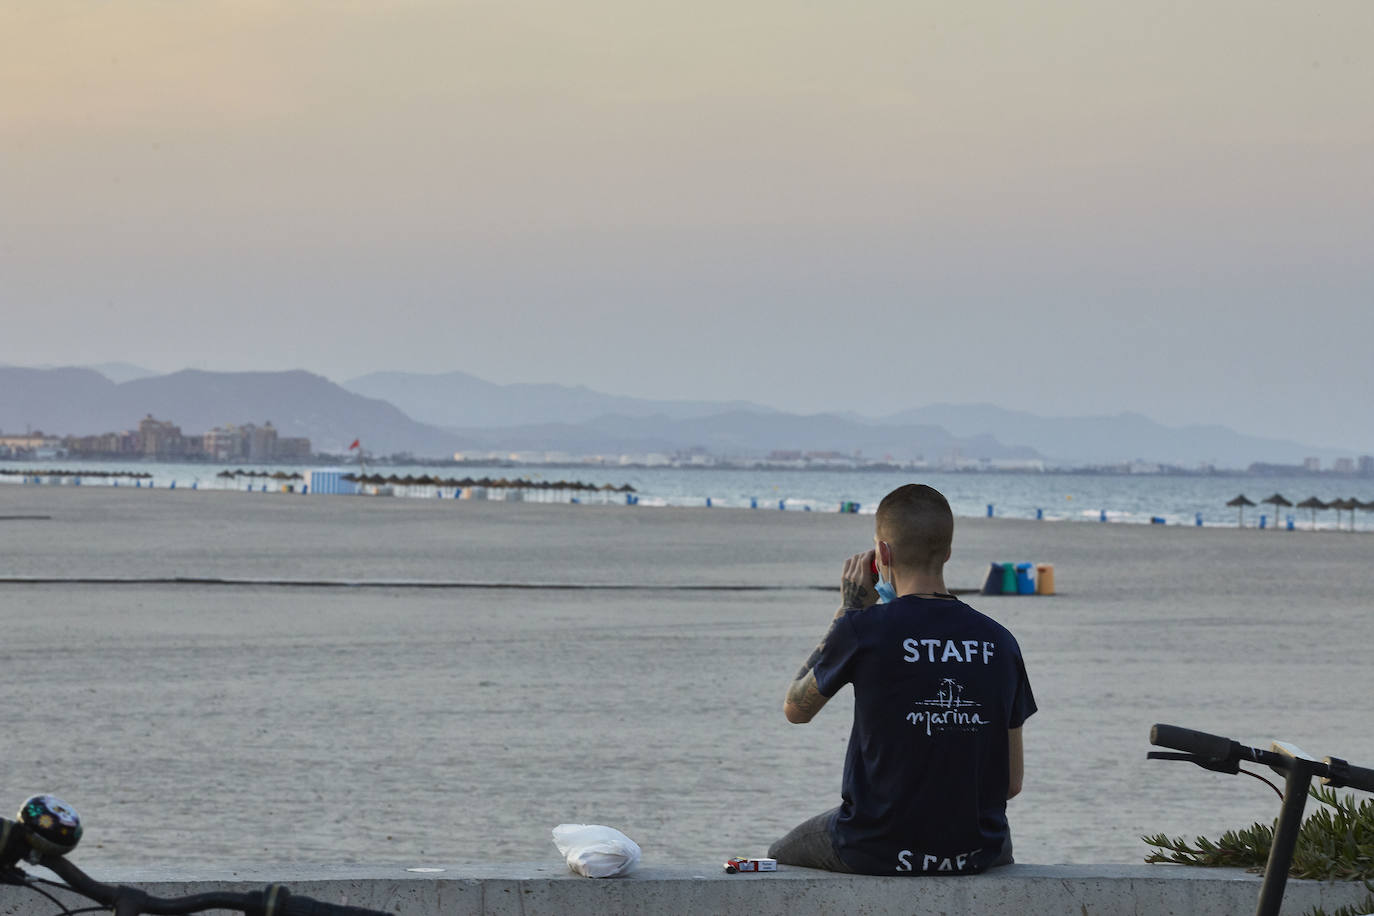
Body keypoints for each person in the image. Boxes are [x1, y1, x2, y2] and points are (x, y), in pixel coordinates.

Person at [769, 483, 1035, 875]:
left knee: (777, 853)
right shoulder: (1001, 641)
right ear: (947, 552)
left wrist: (846, 609)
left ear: (883, 554)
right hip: (979, 851)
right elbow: (1011, 784)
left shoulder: (863, 630)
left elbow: (795, 708)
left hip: (876, 846)